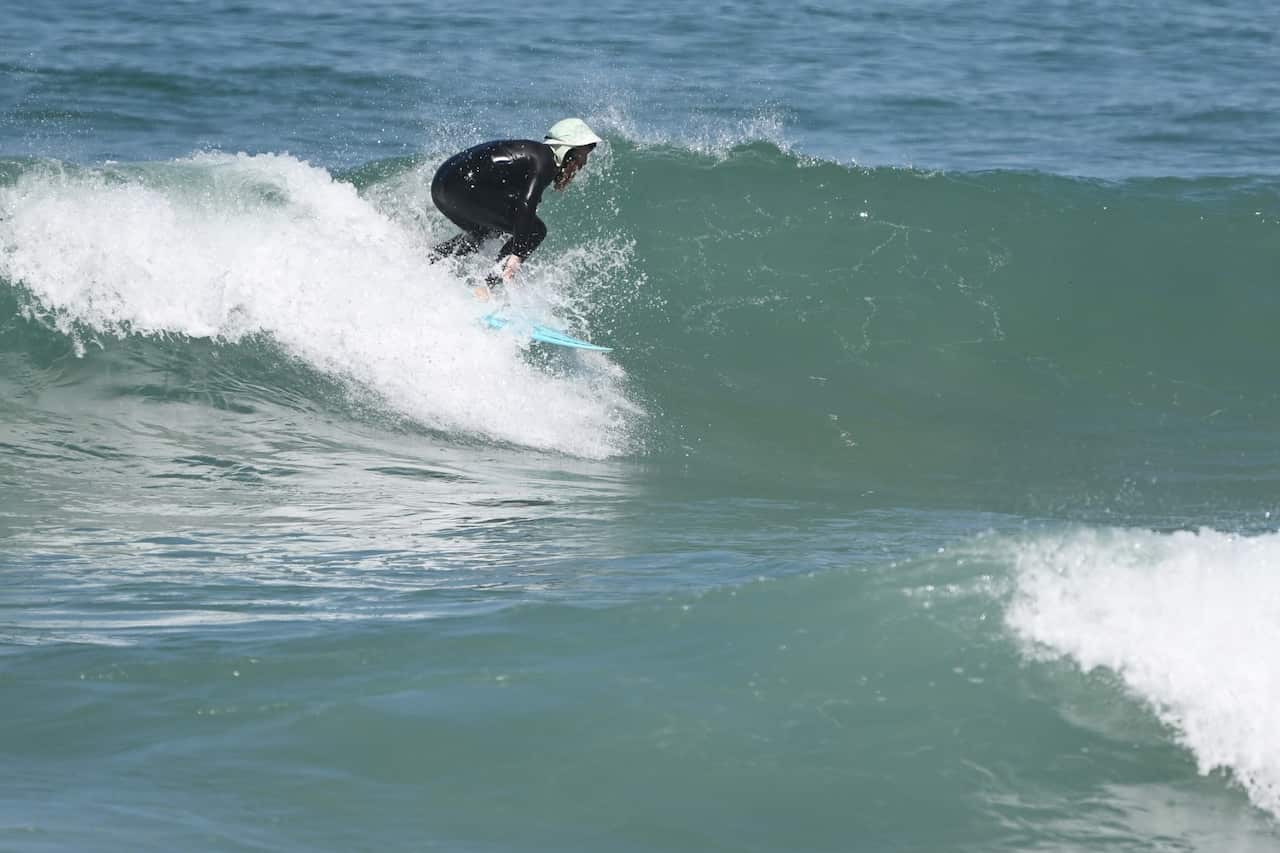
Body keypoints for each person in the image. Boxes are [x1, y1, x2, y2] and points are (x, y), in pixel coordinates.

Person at [429, 118, 602, 293]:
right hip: (462, 187)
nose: (584, 163)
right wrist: (517, 254)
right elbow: (526, 204)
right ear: (568, 149)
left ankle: (430, 260)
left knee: (486, 232)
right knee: (535, 230)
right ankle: (486, 288)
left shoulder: (533, 154)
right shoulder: (545, 160)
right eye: (583, 154)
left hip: (442, 186)